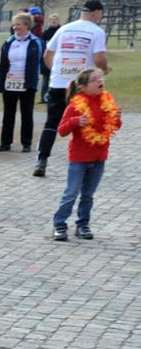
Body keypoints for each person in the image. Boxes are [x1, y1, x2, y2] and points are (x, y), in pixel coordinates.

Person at [36, 0, 109, 177]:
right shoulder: (97, 31)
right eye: (101, 14)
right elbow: (99, 58)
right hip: (81, 86)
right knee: (87, 120)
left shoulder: (64, 29)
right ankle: (85, 162)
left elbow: (47, 54)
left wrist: (57, 71)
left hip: (58, 83)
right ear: (96, 13)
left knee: (52, 123)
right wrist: (104, 70)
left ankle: (41, 160)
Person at [50, 68, 119, 242]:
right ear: (83, 87)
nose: (99, 81)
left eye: (100, 78)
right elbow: (61, 130)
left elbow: (114, 126)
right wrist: (75, 121)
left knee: (88, 195)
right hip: (79, 158)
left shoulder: (107, 102)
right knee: (71, 193)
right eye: (94, 80)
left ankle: (83, 224)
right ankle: (59, 224)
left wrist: (117, 118)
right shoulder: (75, 105)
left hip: (99, 157)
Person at [0, 12, 43, 153]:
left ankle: (26, 143)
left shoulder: (36, 42)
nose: (15, 27)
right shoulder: (9, 41)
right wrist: (1, 82)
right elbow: (3, 63)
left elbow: (41, 61)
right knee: (8, 114)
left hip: (27, 82)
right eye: (14, 24)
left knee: (27, 113)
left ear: (26, 25)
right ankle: (5, 143)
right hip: (10, 81)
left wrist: (34, 80)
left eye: (18, 24)